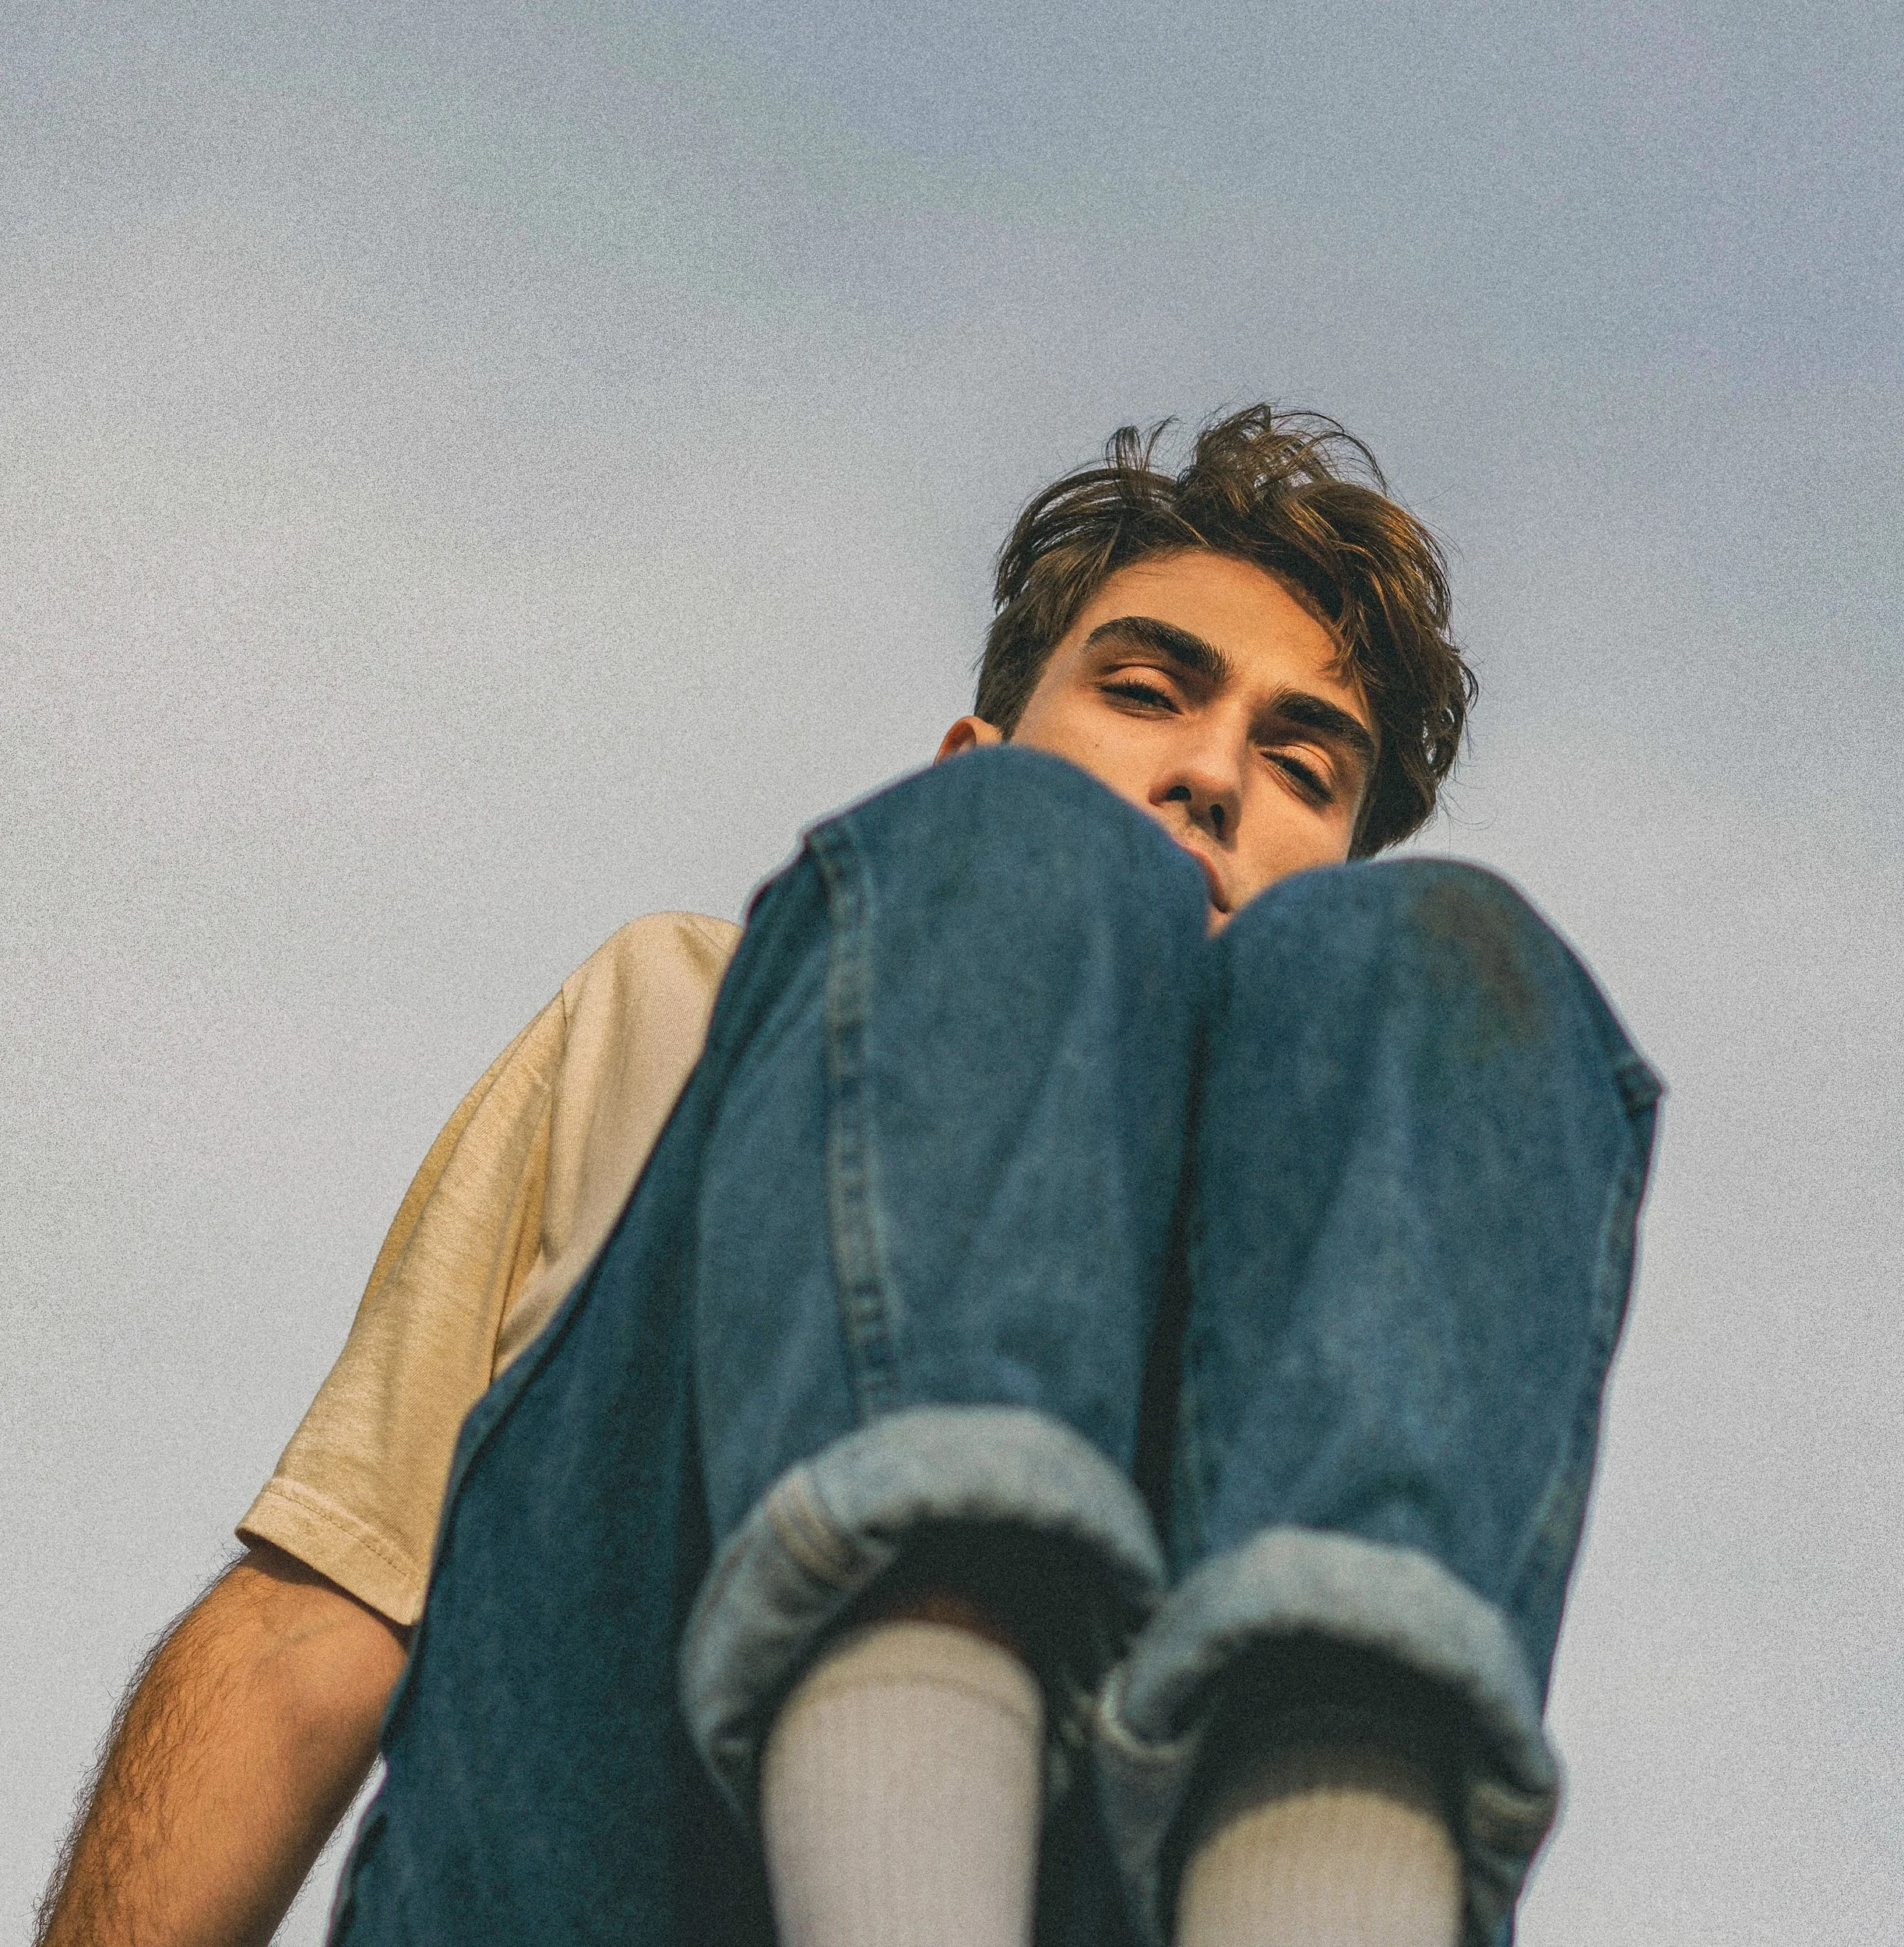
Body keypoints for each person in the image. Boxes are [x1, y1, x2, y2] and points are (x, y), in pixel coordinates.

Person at [36, 408, 1660, 1947]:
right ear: (975, 745)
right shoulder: (685, 1006)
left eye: (1304, 767)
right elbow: (316, 1620)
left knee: (1457, 965)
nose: (1214, 772)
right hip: (605, 1852)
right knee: (1023, 869)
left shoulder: (1372, 1097)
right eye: (1148, 688)